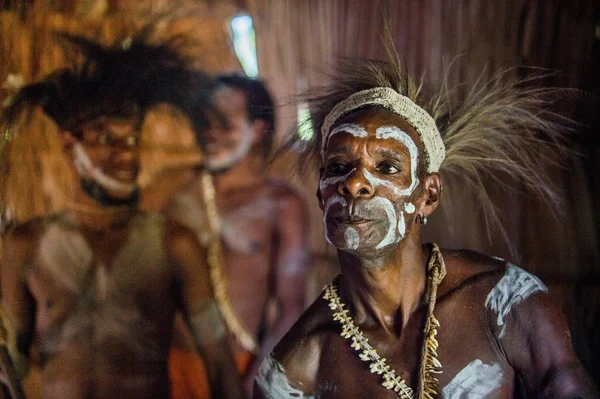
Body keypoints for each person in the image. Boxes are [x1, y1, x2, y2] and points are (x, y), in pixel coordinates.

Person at [254, 52, 599, 397]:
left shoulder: (505, 302)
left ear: (428, 195)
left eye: (387, 167)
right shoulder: (295, 371)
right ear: (320, 193)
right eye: (339, 166)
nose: (354, 183)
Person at [0, 32, 243, 399]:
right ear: (71, 144)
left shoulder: (174, 244)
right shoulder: (25, 245)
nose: (126, 155)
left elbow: (220, 361)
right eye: (106, 139)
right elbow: (13, 361)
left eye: (132, 140)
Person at [167, 74, 309, 397]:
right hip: (173, 369)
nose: (211, 133)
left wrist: (258, 377)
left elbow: (290, 306)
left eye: (224, 123)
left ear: (257, 129)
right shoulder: (178, 196)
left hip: (240, 366)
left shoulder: (280, 205)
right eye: (206, 123)